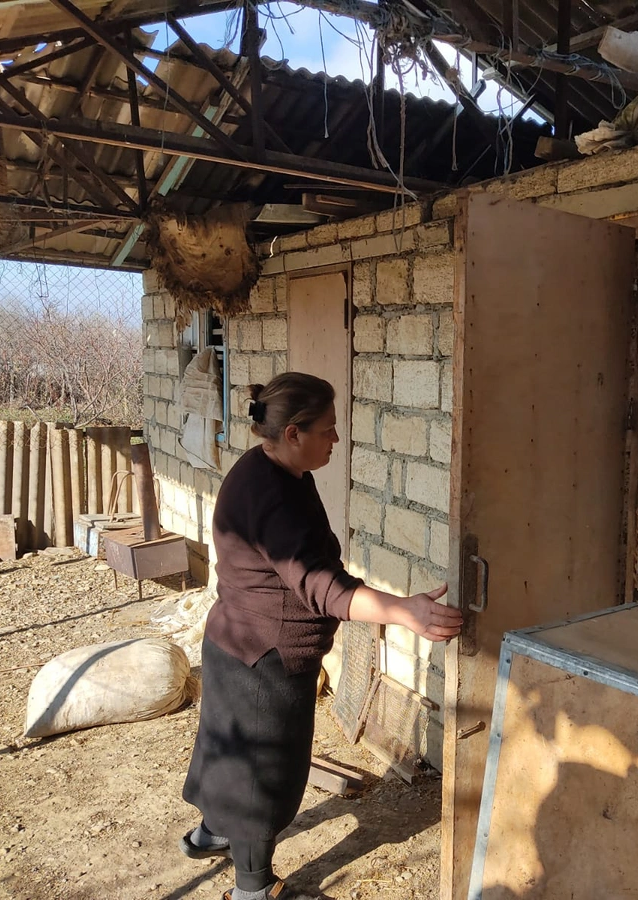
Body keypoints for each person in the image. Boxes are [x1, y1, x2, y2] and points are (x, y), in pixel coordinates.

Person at [179, 372, 462, 900]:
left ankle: (213, 832)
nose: (336, 438)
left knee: (228, 749)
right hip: (264, 660)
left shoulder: (271, 469)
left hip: (235, 643)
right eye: (328, 429)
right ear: (293, 433)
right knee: (261, 775)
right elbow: (324, 588)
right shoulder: (273, 496)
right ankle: (252, 889)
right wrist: (403, 611)